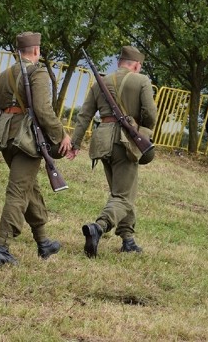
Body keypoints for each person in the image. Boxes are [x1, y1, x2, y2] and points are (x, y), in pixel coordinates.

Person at [0, 32, 72, 266]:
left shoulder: (0, 78)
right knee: (18, 192)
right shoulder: (38, 73)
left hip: (5, 139)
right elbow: (43, 110)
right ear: (36, 51)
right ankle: (2, 248)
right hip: (28, 140)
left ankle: (43, 242)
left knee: (29, 188)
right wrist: (61, 135)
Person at [70, 45, 157, 257]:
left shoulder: (102, 81)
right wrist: (141, 131)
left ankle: (128, 240)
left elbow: (85, 115)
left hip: (103, 142)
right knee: (124, 196)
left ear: (119, 62)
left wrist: (75, 143)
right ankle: (99, 227)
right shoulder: (142, 80)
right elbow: (150, 114)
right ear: (137, 65)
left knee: (121, 193)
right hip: (127, 141)